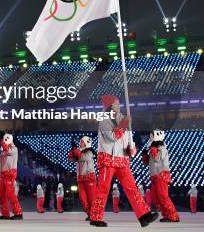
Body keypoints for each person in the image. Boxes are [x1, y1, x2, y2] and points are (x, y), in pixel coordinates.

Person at [89, 95, 157, 227]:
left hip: (121, 160)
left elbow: (126, 140)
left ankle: (144, 215)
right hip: (108, 159)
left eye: (118, 103)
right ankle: (96, 217)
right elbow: (112, 137)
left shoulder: (123, 119)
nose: (118, 106)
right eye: (115, 104)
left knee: (132, 188)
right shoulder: (104, 120)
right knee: (103, 189)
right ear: (109, 106)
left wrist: (131, 150)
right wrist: (124, 124)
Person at [142, 129, 179, 222]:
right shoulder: (153, 147)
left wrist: (152, 149)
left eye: (152, 136)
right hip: (155, 176)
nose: (150, 138)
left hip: (161, 175)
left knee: (163, 197)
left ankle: (173, 216)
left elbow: (157, 159)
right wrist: (144, 155)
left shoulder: (161, 148)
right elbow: (147, 162)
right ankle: (166, 215)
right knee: (155, 197)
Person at [68, 135, 96, 220]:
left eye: (82, 141)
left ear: (87, 143)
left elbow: (84, 157)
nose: (80, 143)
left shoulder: (90, 152)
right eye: (80, 141)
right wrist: (72, 152)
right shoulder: (79, 151)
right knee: (83, 199)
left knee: (92, 198)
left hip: (89, 178)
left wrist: (76, 152)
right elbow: (70, 160)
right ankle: (89, 214)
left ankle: (93, 215)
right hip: (80, 179)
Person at [0, 133, 23, 220]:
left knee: (10, 193)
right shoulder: (3, 150)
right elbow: (0, 159)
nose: (5, 139)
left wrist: (3, 144)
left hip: (10, 173)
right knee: (2, 195)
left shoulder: (14, 149)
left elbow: (8, 152)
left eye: (7, 138)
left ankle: (18, 213)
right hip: (2, 174)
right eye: (4, 138)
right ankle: (5, 214)